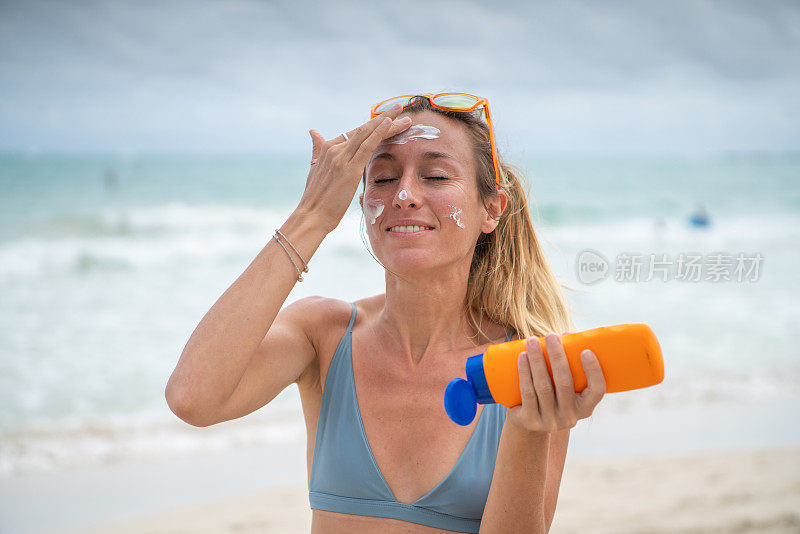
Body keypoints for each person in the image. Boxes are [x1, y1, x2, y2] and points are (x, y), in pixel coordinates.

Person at [166, 93, 607, 533]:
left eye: (434, 175)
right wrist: (313, 215)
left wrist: (529, 430)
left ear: (491, 209)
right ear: (361, 205)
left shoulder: (527, 366)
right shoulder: (323, 334)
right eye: (382, 178)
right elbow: (193, 398)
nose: (404, 195)